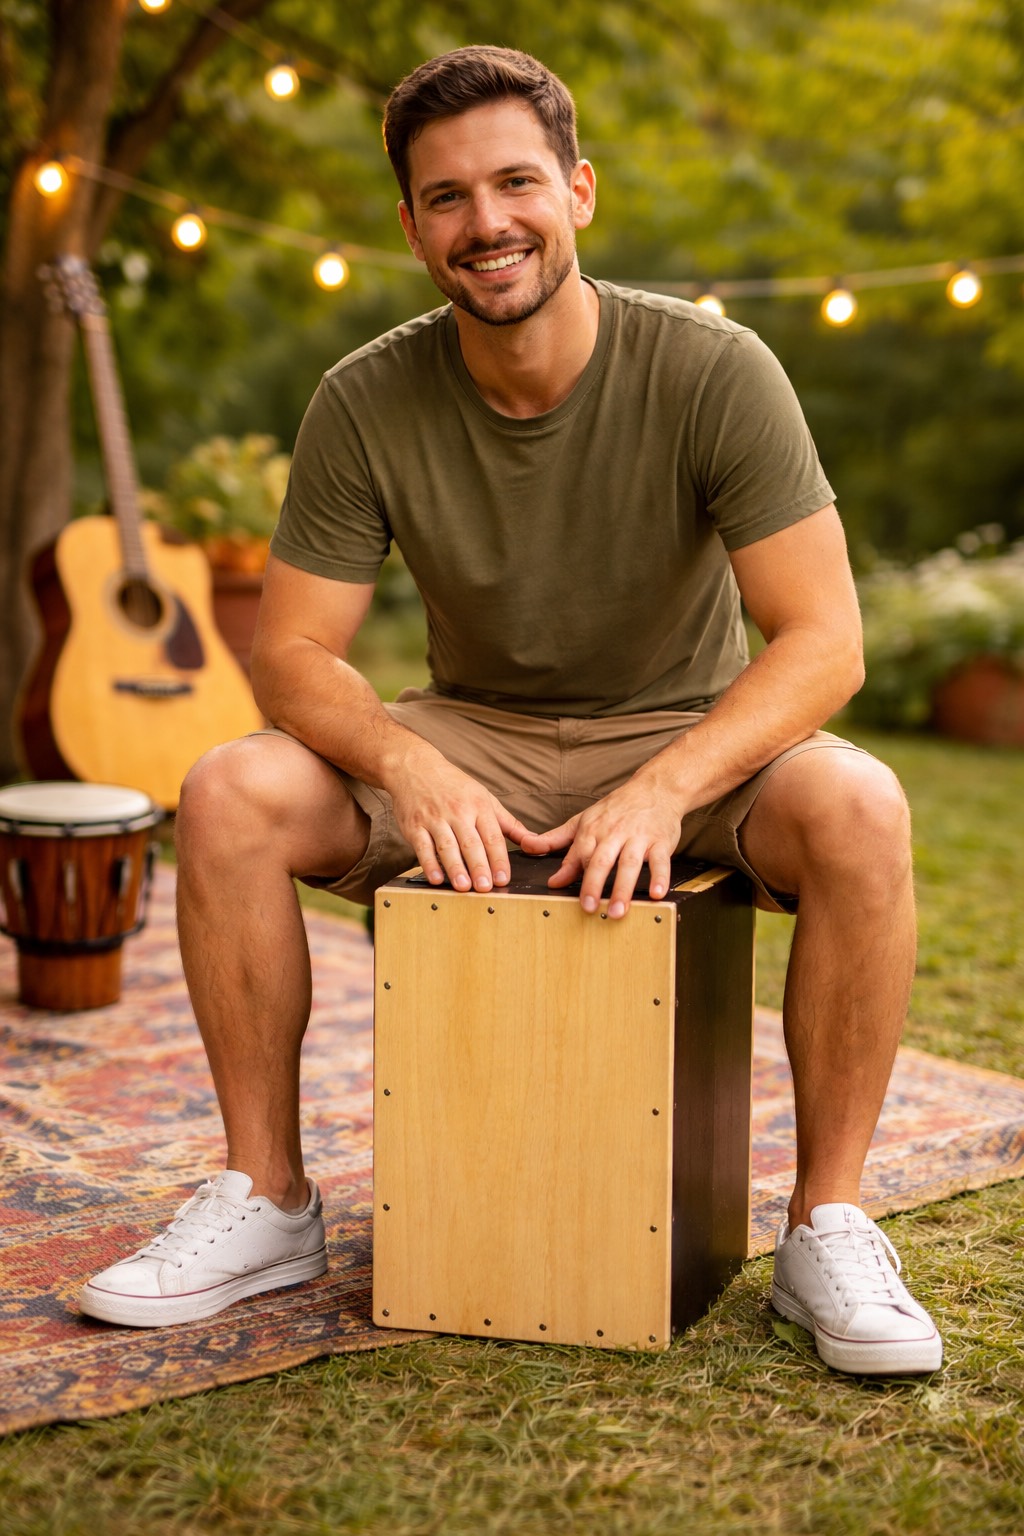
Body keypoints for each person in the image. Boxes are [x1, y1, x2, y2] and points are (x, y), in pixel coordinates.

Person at [80, 45, 941, 1377]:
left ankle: (826, 1223)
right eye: (446, 198)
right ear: (413, 226)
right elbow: (295, 652)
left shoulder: (716, 370)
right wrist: (405, 763)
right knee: (229, 791)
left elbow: (825, 642)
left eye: (516, 182)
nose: (487, 222)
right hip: (466, 728)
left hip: (683, 733)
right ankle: (269, 1200)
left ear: (580, 192)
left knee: (860, 804)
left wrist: (665, 785)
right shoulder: (364, 396)